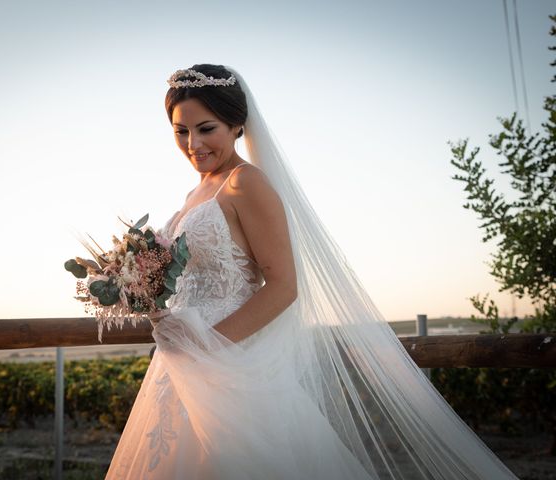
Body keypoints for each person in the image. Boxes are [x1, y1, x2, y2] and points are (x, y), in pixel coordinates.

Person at [104, 64, 519, 479]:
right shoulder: (196, 192)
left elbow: (284, 286)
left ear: (236, 125)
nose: (193, 143)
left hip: (229, 360)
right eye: (181, 131)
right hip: (182, 363)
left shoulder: (245, 183)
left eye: (205, 128)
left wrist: (209, 347)